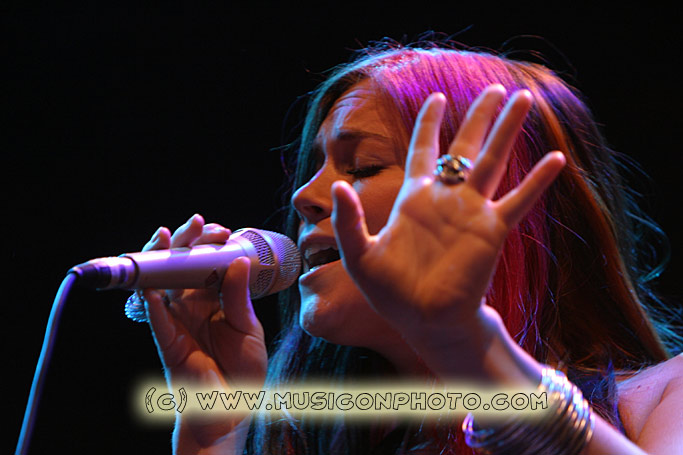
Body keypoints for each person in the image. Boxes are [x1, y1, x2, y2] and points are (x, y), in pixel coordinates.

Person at [136, 42, 682, 454]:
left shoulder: (666, 397)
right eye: (313, 168)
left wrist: (465, 343)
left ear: (497, 199)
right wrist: (219, 434)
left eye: (363, 166)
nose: (304, 196)